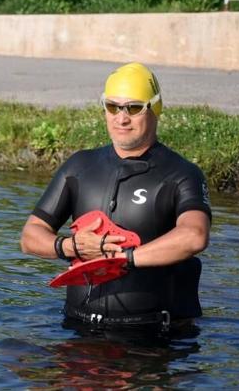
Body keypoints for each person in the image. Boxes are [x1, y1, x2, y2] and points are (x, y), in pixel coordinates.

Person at [20, 62, 211, 331]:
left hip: (153, 336)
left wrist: (124, 258)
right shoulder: (79, 167)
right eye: (113, 107)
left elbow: (194, 236)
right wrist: (70, 247)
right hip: (79, 330)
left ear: (155, 109)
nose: (121, 118)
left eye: (133, 108)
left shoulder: (181, 173)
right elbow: (30, 236)